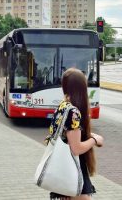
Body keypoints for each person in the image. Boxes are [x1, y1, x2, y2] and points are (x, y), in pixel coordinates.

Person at [46, 68, 104, 200]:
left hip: (63, 169)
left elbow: (67, 134)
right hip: (72, 170)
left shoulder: (62, 107)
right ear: (82, 88)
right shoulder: (73, 112)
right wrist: (95, 140)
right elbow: (76, 148)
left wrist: (90, 135)